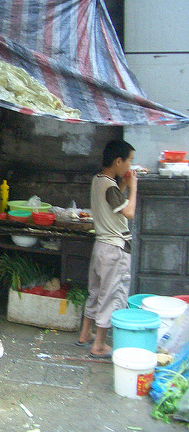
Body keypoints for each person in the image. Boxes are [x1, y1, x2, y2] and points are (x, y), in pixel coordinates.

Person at [76, 139, 137, 358]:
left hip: (101, 246)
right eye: (129, 161)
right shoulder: (109, 185)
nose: (130, 166)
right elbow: (128, 212)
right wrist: (134, 187)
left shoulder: (99, 180)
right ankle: (99, 344)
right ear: (118, 161)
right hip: (114, 249)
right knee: (110, 296)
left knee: (95, 292)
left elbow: (113, 202)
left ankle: (86, 333)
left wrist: (124, 186)